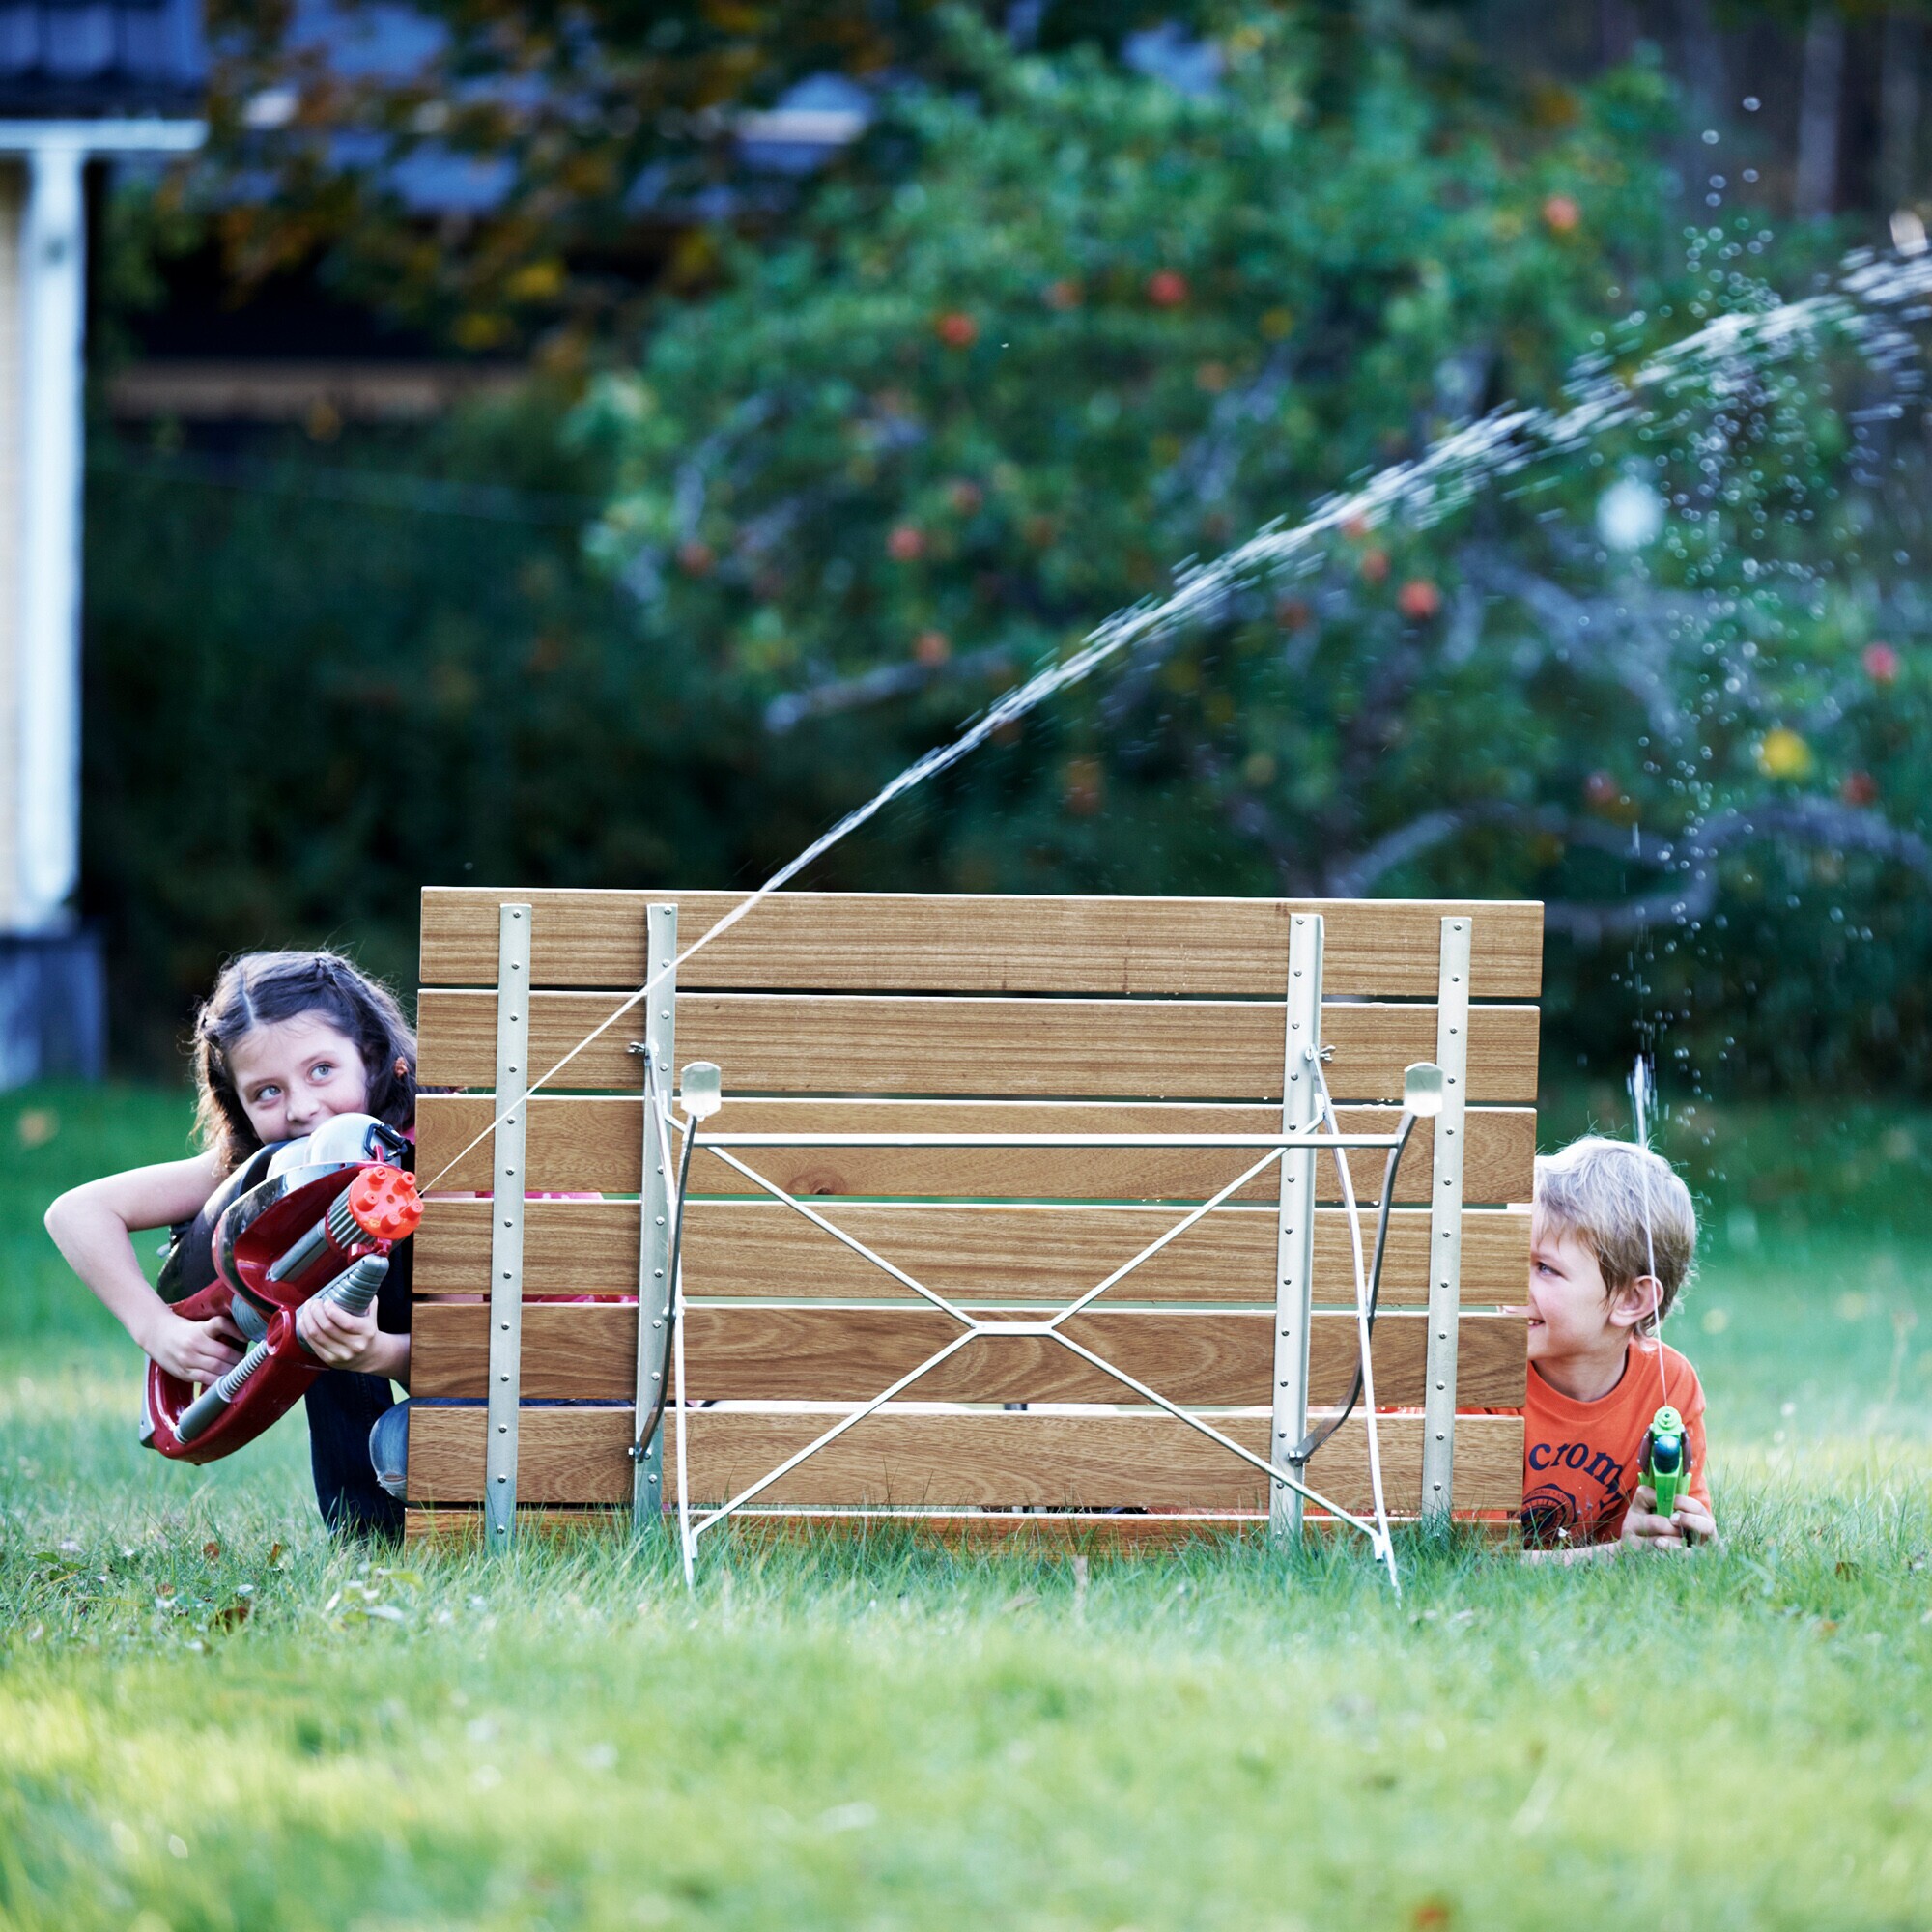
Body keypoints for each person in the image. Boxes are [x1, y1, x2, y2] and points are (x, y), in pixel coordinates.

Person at [44, 951, 417, 1538]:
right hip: (462, 1384)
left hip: (544, 1384)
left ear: (371, 1056)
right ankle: (369, 1542)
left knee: (399, 1449)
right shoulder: (262, 1168)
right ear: (236, 1103)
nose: (301, 1108)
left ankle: (372, 1534)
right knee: (313, 1284)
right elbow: (76, 1212)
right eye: (267, 1092)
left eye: (322, 1070)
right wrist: (158, 1329)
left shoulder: (454, 1148)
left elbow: (503, 1357)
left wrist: (378, 1354)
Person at [1519, 1134, 1719, 1558]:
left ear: (1632, 1300)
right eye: (1514, 1256)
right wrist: (1613, 1556)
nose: (1513, 1281)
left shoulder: (1669, 1387)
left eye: (1544, 1268)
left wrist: (1685, 1539)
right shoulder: (1483, 1377)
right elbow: (1465, 1559)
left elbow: (1678, 1531)